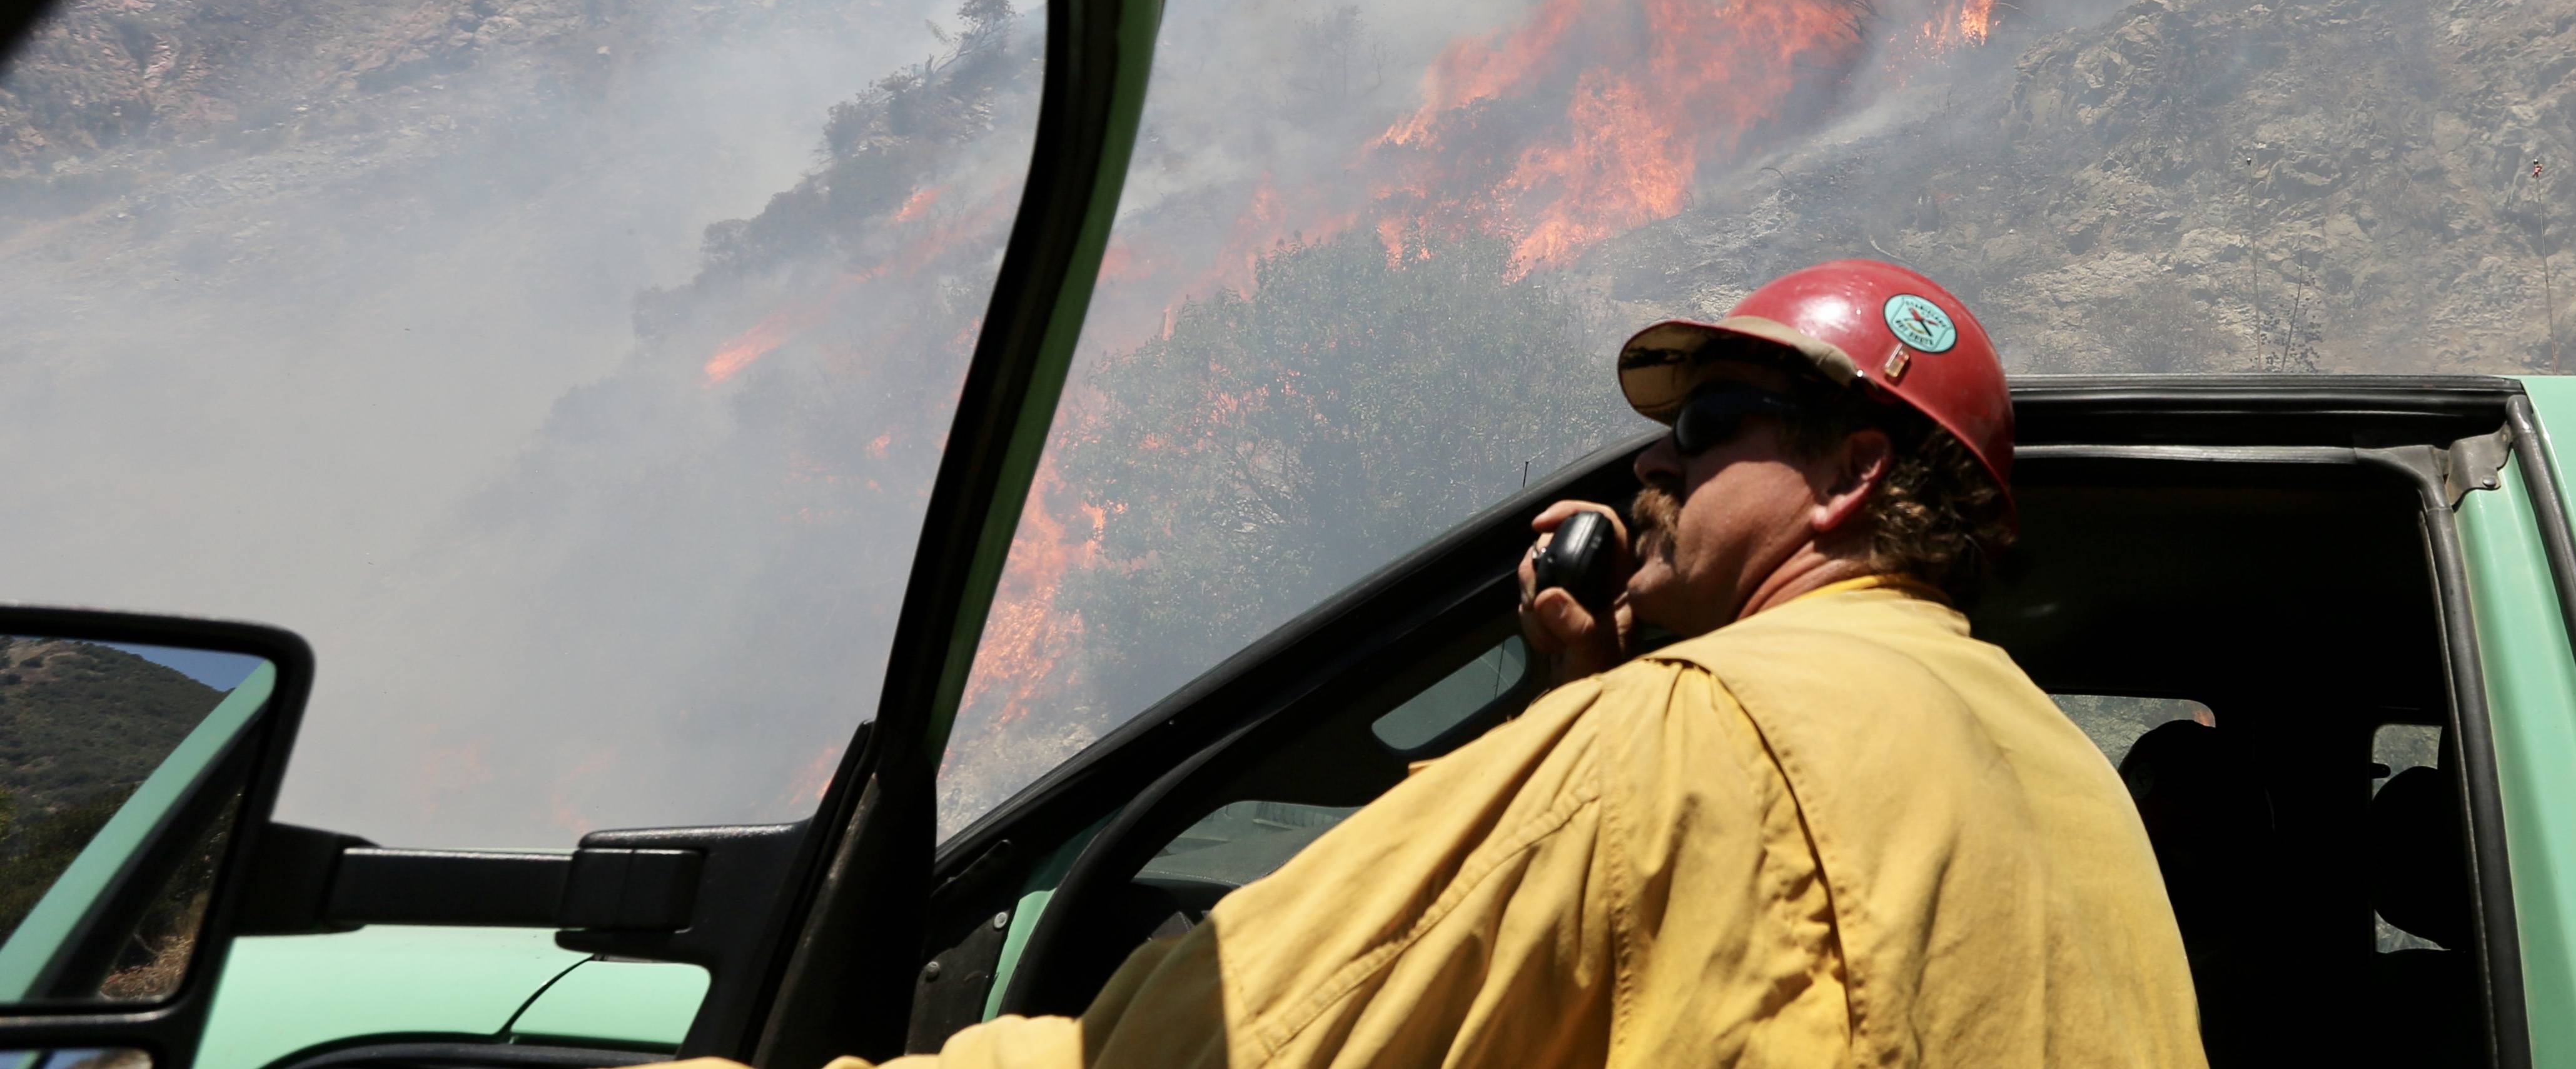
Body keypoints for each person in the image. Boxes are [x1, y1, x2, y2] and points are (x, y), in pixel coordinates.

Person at [761, 259, 2206, 1068]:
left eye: (1708, 426)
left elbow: (1226, 1040)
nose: (1653, 457)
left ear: (1849, 472)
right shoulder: (2063, 777)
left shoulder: (1694, 736)